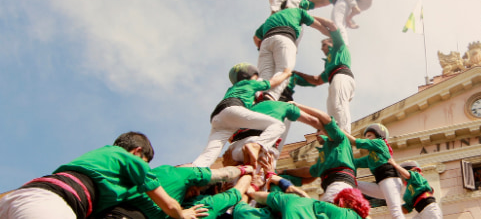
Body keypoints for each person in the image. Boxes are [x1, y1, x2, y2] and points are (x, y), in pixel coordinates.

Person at [0, 132, 206, 219]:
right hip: (49, 203)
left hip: (21, 197)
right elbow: (168, 204)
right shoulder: (130, 161)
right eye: (146, 163)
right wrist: (183, 214)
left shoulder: (100, 157)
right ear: (137, 152)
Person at [192, 63, 292, 167]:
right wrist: (285, 73)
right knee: (277, 125)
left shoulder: (233, 88)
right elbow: (272, 82)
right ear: (251, 76)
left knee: (208, 155)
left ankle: (193, 170)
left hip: (218, 116)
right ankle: (258, 145)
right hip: (233, 109)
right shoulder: (250, 83)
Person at [97, 165, 256, 219]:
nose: (195, 193)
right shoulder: (202, 206)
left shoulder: (155, 172)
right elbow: (225, 176)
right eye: (195, 190)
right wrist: (247, 171)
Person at [280, 101, 357, 203]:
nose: (316, 134)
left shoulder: (339, 138)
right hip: (334, 185)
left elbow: (324, 117)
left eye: (319, 130)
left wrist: (298, 106)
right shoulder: (324, 155)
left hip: (339, 184)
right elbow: (309, 172)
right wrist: (285, 172)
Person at [253, 8, 335, 102]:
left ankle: (256, 96)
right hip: (285, 38)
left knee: (264, 74)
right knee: (285, 71)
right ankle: (271, 96)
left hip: (266, 42)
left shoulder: (271, 18)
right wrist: (333, 36)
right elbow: (320, 26)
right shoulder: (298, 12)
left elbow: (256, 38)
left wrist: (262, 48)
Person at [239, 165, 369, 219]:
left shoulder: (345, 213)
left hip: (287, 204)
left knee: (240, 210)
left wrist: (252, 190)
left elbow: (308, 202)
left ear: (344, 202)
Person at [293, 27, 354, 133]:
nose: (321, 48)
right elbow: (317, 80)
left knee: (339, 104)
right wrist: (297, 74)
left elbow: (334, 29)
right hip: (334, 79)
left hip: (342, 75)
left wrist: (315, 23)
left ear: (332, 43)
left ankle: (345, 132)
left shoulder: (340, 47)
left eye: (324, 45)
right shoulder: (328, 64)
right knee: (332, 110)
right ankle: (336, 133)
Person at [342, 123, 404, 219]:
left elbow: (356, 142)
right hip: (381, 184)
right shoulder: (370, 158)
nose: (367, 138)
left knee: (395, 211)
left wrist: (341, 132)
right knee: (353, 183)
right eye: (366, 136)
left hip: (390, 180)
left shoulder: (380, 143)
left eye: (369, 136)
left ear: (378, 136)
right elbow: (355, 162)